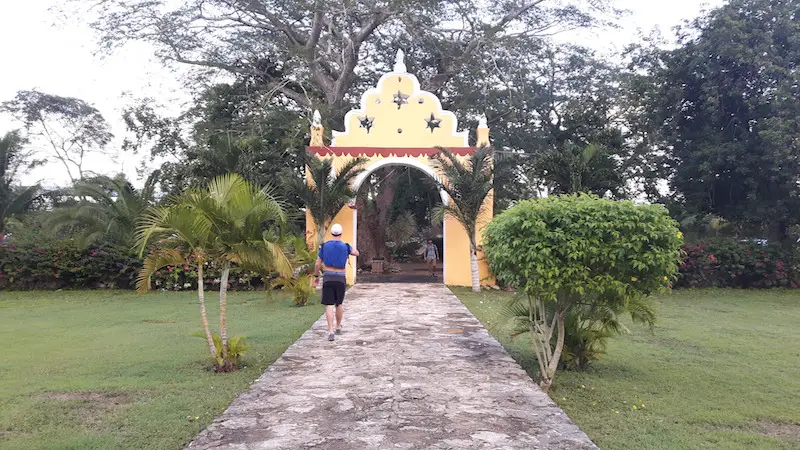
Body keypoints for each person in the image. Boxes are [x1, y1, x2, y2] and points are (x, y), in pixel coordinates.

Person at [314, 223, 359, 341]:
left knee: (329, 305)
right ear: (341, 233)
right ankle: (338, 326)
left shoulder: (324, 246)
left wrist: (316, 276)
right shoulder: (345, 246)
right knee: (339, 303)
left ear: (331, 233)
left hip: (328, 277)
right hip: (340, 277)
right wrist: (348, 248)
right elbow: (356, 252)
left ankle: (331, 331)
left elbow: (318, 263)